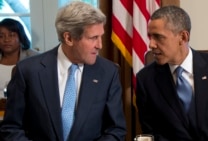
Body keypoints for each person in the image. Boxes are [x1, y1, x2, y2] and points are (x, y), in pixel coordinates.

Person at [0, 1, 126, 141]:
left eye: (100, 36)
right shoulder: (28, 71)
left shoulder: (108, 72)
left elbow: (116, 130)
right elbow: (11, 128)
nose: (100, 45)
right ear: (69, 38)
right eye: (93, 38)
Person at [135, 5, 208, 141]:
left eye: (158, 37)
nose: (151, 44)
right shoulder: (145, 79)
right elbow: (151, 133)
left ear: (183, 37)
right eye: (150, 37)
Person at [0, 18, 38, 99]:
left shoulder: (34, 58)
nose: (6, 40)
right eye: (1, 36)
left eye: (11, 35)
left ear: (21, 37)